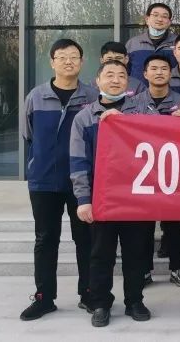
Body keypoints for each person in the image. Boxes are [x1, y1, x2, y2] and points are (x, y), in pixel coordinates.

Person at [71, 60, 152, 327]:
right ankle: (100, 304)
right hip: (102, 198)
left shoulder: (142, 111)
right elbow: (79, 161)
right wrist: (83, 200)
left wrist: (126, 122)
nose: (115, 80)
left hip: (136, 198)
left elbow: (161, 138)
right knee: (100, 255)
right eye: (109, 75)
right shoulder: (84, 117)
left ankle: (135, 300)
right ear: (97, 81)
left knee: (136, 253)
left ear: (128, 83)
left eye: (121, 76)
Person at [20, 39, 96, 321]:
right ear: (52, 62)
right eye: (62, 57)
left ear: (82, 62)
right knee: (46, 239)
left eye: (74, 56)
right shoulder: (36, 97)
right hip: (44, 181)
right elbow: (28, 134)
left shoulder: (92, 96)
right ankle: (44, 297)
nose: (68, 61)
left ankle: (88, 293)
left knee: (86, 239)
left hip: (82, 182)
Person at [125, 55, 180, 289]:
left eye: (164, 68)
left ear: (170, 73)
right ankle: (144, 270)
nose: (159, 72)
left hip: (175, 172)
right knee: (143, 226)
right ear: (145, 74)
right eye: (153, 68)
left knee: (175, 224)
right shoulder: (131, 104)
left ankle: (177, 267)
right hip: (142, 172)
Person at [125, 2, 177, 81]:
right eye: (155, 15)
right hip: (138, 88)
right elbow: (125, 71)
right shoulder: (133, 43)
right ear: (147, 19)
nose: (160, 19)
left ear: (169, 22)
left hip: (170, 88)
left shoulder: (178, 43)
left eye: (164, 16)